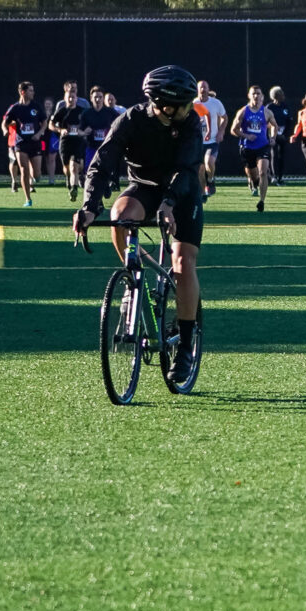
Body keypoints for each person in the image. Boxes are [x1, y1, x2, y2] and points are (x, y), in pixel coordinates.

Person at [71, 65, 208, 381]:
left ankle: (185, 346)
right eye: (184, 103)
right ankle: (136, 279)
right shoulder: (131, 120)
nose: (190, 108)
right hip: (144, 187)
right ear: (164, 106)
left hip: (182, 191)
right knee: (119, 216)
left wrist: (169, 204)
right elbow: (102, 164)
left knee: (183, 262)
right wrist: (89, 208)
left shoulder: (190, 123)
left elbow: (187, 169)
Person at [230, 86, 277, 212]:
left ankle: (262, 201)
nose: (256, 96)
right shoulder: (243, 111)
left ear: (262, 96)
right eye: (253, 93)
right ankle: (253, 181)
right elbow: (233, 130)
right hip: (247, 147)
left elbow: (274, 126)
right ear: (249, 96)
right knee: (253, 175)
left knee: (263, 172)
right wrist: (246, 136)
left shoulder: (267, 112)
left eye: (258, 93)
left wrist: (273, 138)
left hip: (263, 146)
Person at [2, 81, 45, 205]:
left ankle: (35, 178)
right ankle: (28, 199)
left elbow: (44, 122)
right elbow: (4, 122)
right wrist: (5, 130)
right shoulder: (15, 108)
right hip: (20, 143)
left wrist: (39, 133)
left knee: (37, 174)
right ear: (23, 92)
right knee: (24, 170)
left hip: (35, 142)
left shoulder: (36, 106)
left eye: (33, 90)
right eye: (30, 90)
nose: (33, 93)